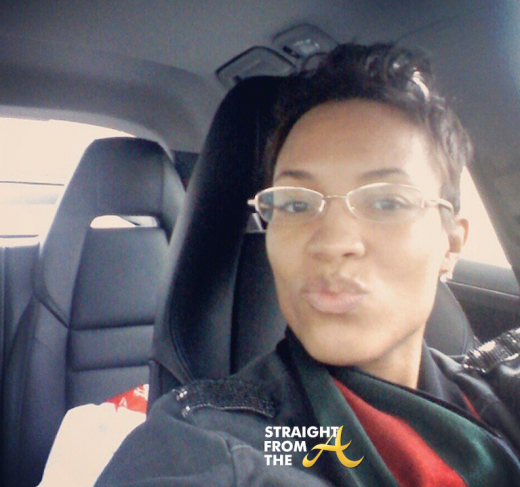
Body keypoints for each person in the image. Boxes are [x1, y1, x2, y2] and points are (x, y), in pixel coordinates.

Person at [95, 43, 520, 486]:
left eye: (387, 202)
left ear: (451, 243)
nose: (332, 243)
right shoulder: (205, 448)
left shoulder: (499, 394)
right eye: (296, 204)